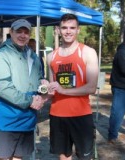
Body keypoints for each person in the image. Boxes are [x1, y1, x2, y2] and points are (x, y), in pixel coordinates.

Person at [0, 19, 48, 160]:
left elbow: (39, 80)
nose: (22, 35)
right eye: (19, 31)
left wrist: (44, 90)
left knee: (19, 157)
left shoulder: (32, 56)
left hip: (26, 119)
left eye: (26, 32)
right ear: (11, 32)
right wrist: (30, 101)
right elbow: (3, 88)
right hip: (5, 121)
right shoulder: (1, 56)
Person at [47, 13, 99, 160]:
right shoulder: (51, 57)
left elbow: (91, 87)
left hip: (81, 115)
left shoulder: (88, 52)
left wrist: (64, 90)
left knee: (85, 157)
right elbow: (52, 90)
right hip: (57, 114)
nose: (68, 31)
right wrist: (45, 89)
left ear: (78, 30)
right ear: (58, 30)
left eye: (72, 27)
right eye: (64, 28)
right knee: (64, 156)